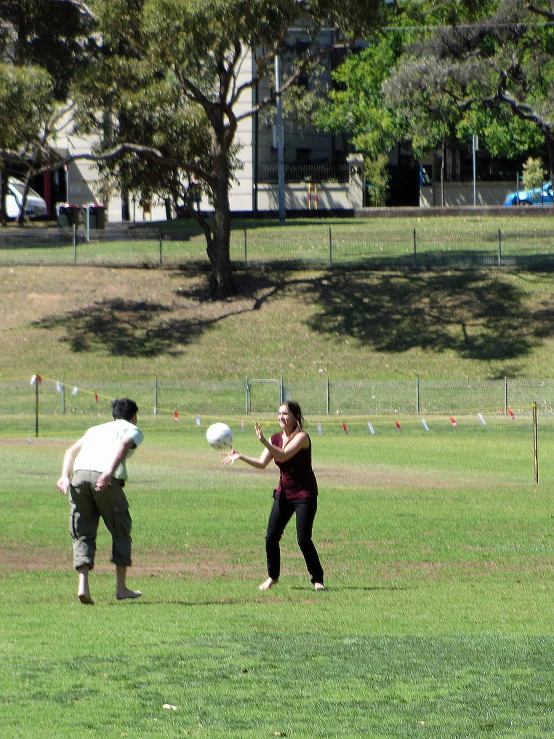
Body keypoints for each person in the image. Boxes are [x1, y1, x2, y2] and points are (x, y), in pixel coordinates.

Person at [222, 400, 324, 592]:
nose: (281, 417)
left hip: (304, 494)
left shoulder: (302, 437)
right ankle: (273, 576)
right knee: (271, 537)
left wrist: (263, 442)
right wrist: (241, 456)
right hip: (283, 494)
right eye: (279, 414)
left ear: (296, 417)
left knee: (303, 539)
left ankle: (318, 578)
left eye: (285, 414)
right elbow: (262, 463)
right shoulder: (275, 437)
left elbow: (284, 455)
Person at [56, 398, 144, 604]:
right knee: (120, 529)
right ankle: (121, 588)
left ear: (113, 415)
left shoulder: (95, 429)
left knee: (82, 531)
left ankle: (83, 586)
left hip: (78, 476)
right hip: (104, 479)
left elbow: (70, 451)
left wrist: (64, 476)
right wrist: (108, 473)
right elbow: (123, 445)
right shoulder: (133, 429)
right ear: (134, 416)